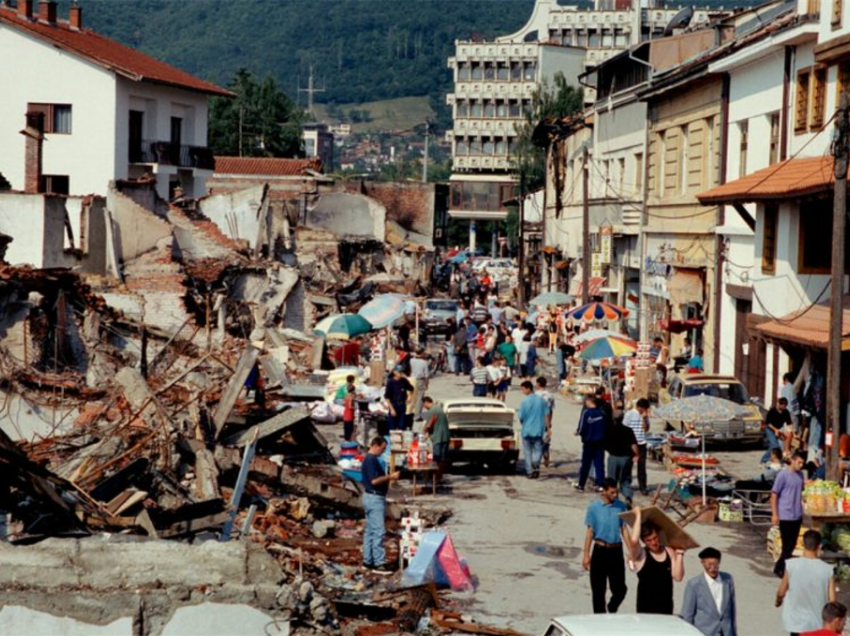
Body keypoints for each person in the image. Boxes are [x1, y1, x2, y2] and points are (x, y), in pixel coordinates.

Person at [582, 478, 629, 614]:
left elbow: (624, 530)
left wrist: (632, 551)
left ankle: (612, 606)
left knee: (620, 589)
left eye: (617, 492)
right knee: (598, 591)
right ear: (605, 491)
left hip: (616, 550)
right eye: (612, 492)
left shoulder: (621, 506)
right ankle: (599, 622)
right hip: (600, 550)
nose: (615, 495)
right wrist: (586, 555)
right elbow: (590, 532)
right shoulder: (594, 508)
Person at [776, 529, 835, 636]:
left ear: (803, 544)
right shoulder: (827, 569)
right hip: (817, 624)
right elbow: (832, 601)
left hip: (796, 623)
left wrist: (778, 601)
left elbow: (781, 592)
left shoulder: (791, 565)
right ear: (819, 546)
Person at [627, 510, 685, 614]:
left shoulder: (669, 551)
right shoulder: (641, 555)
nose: (653, 543)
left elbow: (678, 577)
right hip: (645, 609)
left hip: (666, 607)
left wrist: (680, 554)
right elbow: (634, 541)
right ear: (644, 541)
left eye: (655, 538)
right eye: (649, 540)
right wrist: (638, 516)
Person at [361, 437, 400, 571]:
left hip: (370, 497)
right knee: (378, 531)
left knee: (370, 531)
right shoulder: (371, 460)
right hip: (374, 497)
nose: (383, 452)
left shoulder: (369, 459)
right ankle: (379, 562)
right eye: (383, 448)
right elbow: (374, 481)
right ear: (376, 446)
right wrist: (390, 477)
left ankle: (368, 560)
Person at [681, 547, 737, 636]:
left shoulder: (728, 579)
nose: (712, 568)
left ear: (719, 561)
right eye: (709, 564)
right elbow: (687, 616)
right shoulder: (694, 584)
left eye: (715, 564)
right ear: (702, 563)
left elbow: (732, 612)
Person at [772, 451, 806, 578]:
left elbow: (801, 491)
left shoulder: (800, 475)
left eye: (802, 463)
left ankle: (779, 567)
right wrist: (775, 514)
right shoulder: (783, 475)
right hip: (785, 514)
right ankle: (782, 569)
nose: (801, 465)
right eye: (799, 462)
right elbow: (774, 494)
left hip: (797, 514)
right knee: (787, 545)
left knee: (791, 544)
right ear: (792, 460)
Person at [605, 409, 640, 505]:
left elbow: (604, 443)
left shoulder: (609, 429)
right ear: (623, 418)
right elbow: (633, 445)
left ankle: (612, 498)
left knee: (612, 480)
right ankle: (628, 497)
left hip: (613, 457)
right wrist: (637, 455)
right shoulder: (628, 430)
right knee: (625, 480)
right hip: (626, 458)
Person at [518, 380, 549, 479]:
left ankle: (529, 471)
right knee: (538, 449)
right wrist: (548, 428)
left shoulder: (524, 401)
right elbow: (546, 415)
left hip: (526, 430)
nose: (522, 391)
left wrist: (524, 424)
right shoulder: (542, 401)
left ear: (528, 389)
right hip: (539, 429)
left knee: (527, 452)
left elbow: (521, 417)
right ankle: (536, 464)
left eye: (523, 389)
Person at [576, 395, 608, 492]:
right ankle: (601, 484)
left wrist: (578, 432)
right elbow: (606, 427)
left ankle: (581, 484)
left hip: (589, 442)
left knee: (586, 464)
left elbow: (582, 427)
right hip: (600, 442)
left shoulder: (586, 412)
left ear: (589, 401)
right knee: (599, 464)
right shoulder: (602, 413)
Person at [624, 398, 651, 495]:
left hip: (642, 443)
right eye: (644, 409)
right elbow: (625, 428)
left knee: (642, 467)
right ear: (640, 407)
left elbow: (646, 429)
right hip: (631, 444)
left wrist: (644, 418)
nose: (645, 411)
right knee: (628, 466)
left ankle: (643, 487)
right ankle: (626, 485)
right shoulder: (629, 414)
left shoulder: (645, 416)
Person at [422, 396, 450, 481]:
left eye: (424, 405)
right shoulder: (439, 409)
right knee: (442, 459)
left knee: (437, 459)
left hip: (438, 438)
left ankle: (435, 477)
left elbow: (428, 425)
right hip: (445, 437)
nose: (424, 407)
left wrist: (424, 431)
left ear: (426, 402)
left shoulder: (432, 411)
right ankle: (439, 476)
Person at [536, 377, 555, 468]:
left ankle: (536, 459)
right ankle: (546, 456)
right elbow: (551, 410)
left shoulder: (535, 395)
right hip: (546, 420)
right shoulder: (550, 395)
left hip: (536, 420)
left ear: (538, 384)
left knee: (536, 440)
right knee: (545, 440)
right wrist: (549, 423)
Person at [409, 349, 430, 417]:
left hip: (412, 380)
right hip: (420, 380)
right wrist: (427, 384)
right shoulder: (424, 362)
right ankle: (417, 415)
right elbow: (426, 375)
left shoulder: (411, 360)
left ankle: (410, 412)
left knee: (412, 397)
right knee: (419, 398)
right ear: (422, 354)